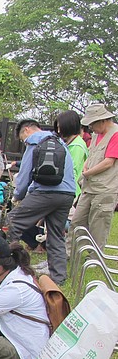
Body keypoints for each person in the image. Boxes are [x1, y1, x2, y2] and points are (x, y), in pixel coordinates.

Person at [8, 118, 76, 285]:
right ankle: (58, 278)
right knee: (56, 235)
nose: (24, 142)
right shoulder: (59, 141)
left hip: (45, 192)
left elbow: (24, 175)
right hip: (67, 193)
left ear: (26, 131)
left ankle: (11, 268)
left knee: (13, 220)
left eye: (22, 139)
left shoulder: (34, 141)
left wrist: (17, 196)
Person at [69, 103, 118, 251]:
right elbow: (90, 155)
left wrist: (87, 173)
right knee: (76, 221)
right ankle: (68, 252)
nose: (91, 128)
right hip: (88, 187)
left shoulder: (115, 134)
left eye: (93, 124)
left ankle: (95, 257)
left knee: (99, 225)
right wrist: (85, 167)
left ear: (103, 121)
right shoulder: (97, 134)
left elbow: (108, 162)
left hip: (105, 189)